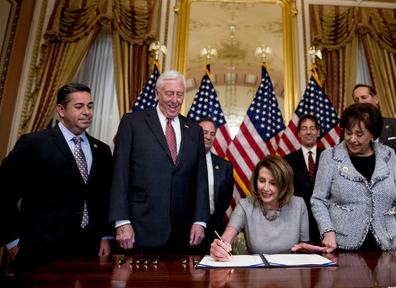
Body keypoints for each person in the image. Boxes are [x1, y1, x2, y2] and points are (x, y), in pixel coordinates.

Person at [0, 83, 113, 271]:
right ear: (61, 109)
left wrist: (107, 237)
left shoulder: (102, 151)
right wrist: (13, 243)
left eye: (90, 106)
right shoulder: (34, 144)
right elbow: (1, 196)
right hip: (39, 251)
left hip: (88, 252)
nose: (86, 112)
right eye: (79, 106)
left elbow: (105, 197)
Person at [109, 70, 209, 254]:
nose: (175, 100)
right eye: (169, 93)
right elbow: (119, 174)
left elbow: (201, 179)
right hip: (140, 231)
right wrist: (122, 221)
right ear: (157, 93)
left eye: (179, 94)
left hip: (183, 233)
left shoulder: (194, 130)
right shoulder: (132, 123)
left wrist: (199, 221)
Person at [311, 103, 396, 252]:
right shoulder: (330, 157)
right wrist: (327, 231)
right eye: (348, 132)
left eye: (359, 134)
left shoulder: (388, 155)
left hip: (386, 245)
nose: (352, 139)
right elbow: (318, 200)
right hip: (343, 245)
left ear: (372, 134)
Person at [210, 155, 325, 261]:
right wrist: (220, 247)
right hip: (256, 274)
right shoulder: (245, 204)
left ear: (284, 185)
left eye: (273, 183)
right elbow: (227, 238)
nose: (265, 188)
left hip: (289, 274)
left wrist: (306, 250)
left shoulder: (299, 204)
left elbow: (302, 247)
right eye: (262, 181)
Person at [283, 114, 324, 245]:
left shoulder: (329, 157)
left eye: (312, 128)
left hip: (324, 221)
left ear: (318, 132)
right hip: (297, 220)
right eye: (304, 128)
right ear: (299, 133)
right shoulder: (287, 161)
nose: (308, 132)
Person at [197, 117, 234, 253]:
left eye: (212, 134)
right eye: (204, 132)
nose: (208, 137)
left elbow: (226, 199)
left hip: (215, 228)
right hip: (188, 229)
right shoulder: (183, 163)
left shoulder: (225, 166)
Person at [353, 84, 396, 151]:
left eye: (364, 97)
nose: (360, 102)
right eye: (356, 100)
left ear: (376, 99)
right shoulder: (349, 131)